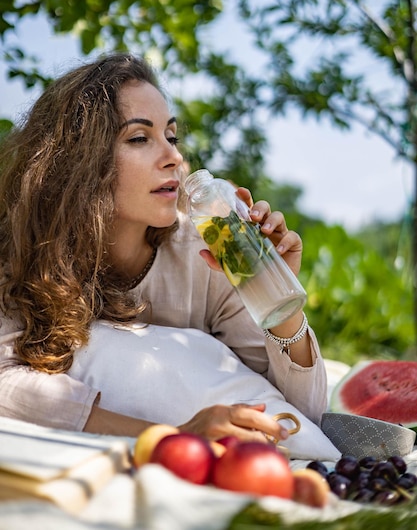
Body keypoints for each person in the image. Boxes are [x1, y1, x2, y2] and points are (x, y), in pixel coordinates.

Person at [0, 53, 328, 445]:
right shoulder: (20, 251)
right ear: (78, 160)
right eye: (140, 138)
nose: (174, 156)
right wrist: (171, 436)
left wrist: (281, 301)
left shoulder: (205, 256)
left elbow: (302, 416)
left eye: (171, 136)